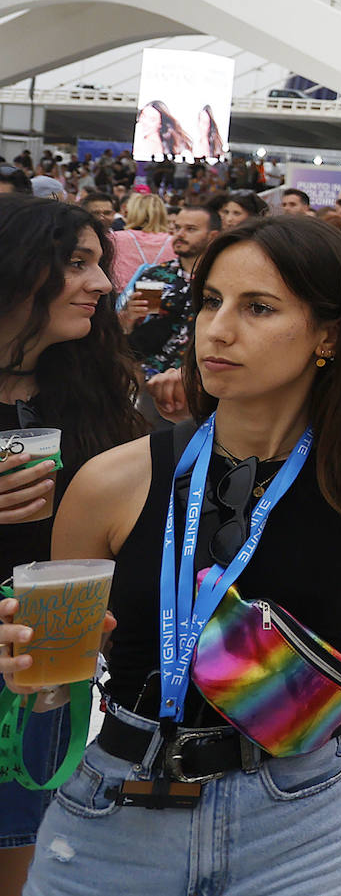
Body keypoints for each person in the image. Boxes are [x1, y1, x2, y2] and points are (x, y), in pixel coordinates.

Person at [1, 216, 341, 894]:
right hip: (116, 810)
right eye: (211, 300)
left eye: (258, 307)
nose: (218, 328)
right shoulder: (110, 484)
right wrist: (38, 684)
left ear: (327, 334)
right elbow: (49, 732)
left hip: (300, 820)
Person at [0, 197, 145, 894]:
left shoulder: (94, 393)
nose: (103, 284)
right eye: (77, 263)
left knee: (26, 847)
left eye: (100, 264)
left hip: (48, 669)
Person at [119, 207, 221, 424]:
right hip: (154, 385)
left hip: (207, 384)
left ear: (212, 236)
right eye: (177, 228)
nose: (180, 234)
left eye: (190, 229)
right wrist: (128, 320)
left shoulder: (224, 279)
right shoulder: (156, 276)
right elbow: (134, 332)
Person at [110, 192, 175, 291]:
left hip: (124, 299)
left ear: (132, 212)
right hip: (165, 297)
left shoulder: (115, 239)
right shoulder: (175, 242)